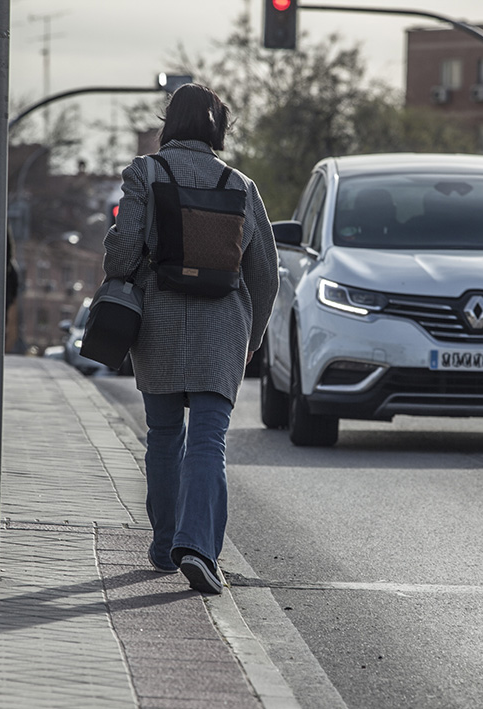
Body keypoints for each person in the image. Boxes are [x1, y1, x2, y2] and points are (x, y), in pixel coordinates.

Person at [103, 84, 278, 594]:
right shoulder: (241, 186)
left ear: (168, 123)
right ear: (217, 128)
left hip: (156, 320)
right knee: (208, 439)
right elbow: (265, 273)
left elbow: (121, 255)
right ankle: (197, 547)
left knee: (163, 436)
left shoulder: (145, 173)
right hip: (223, 327)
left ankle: (163, 546)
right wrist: (254, 334)